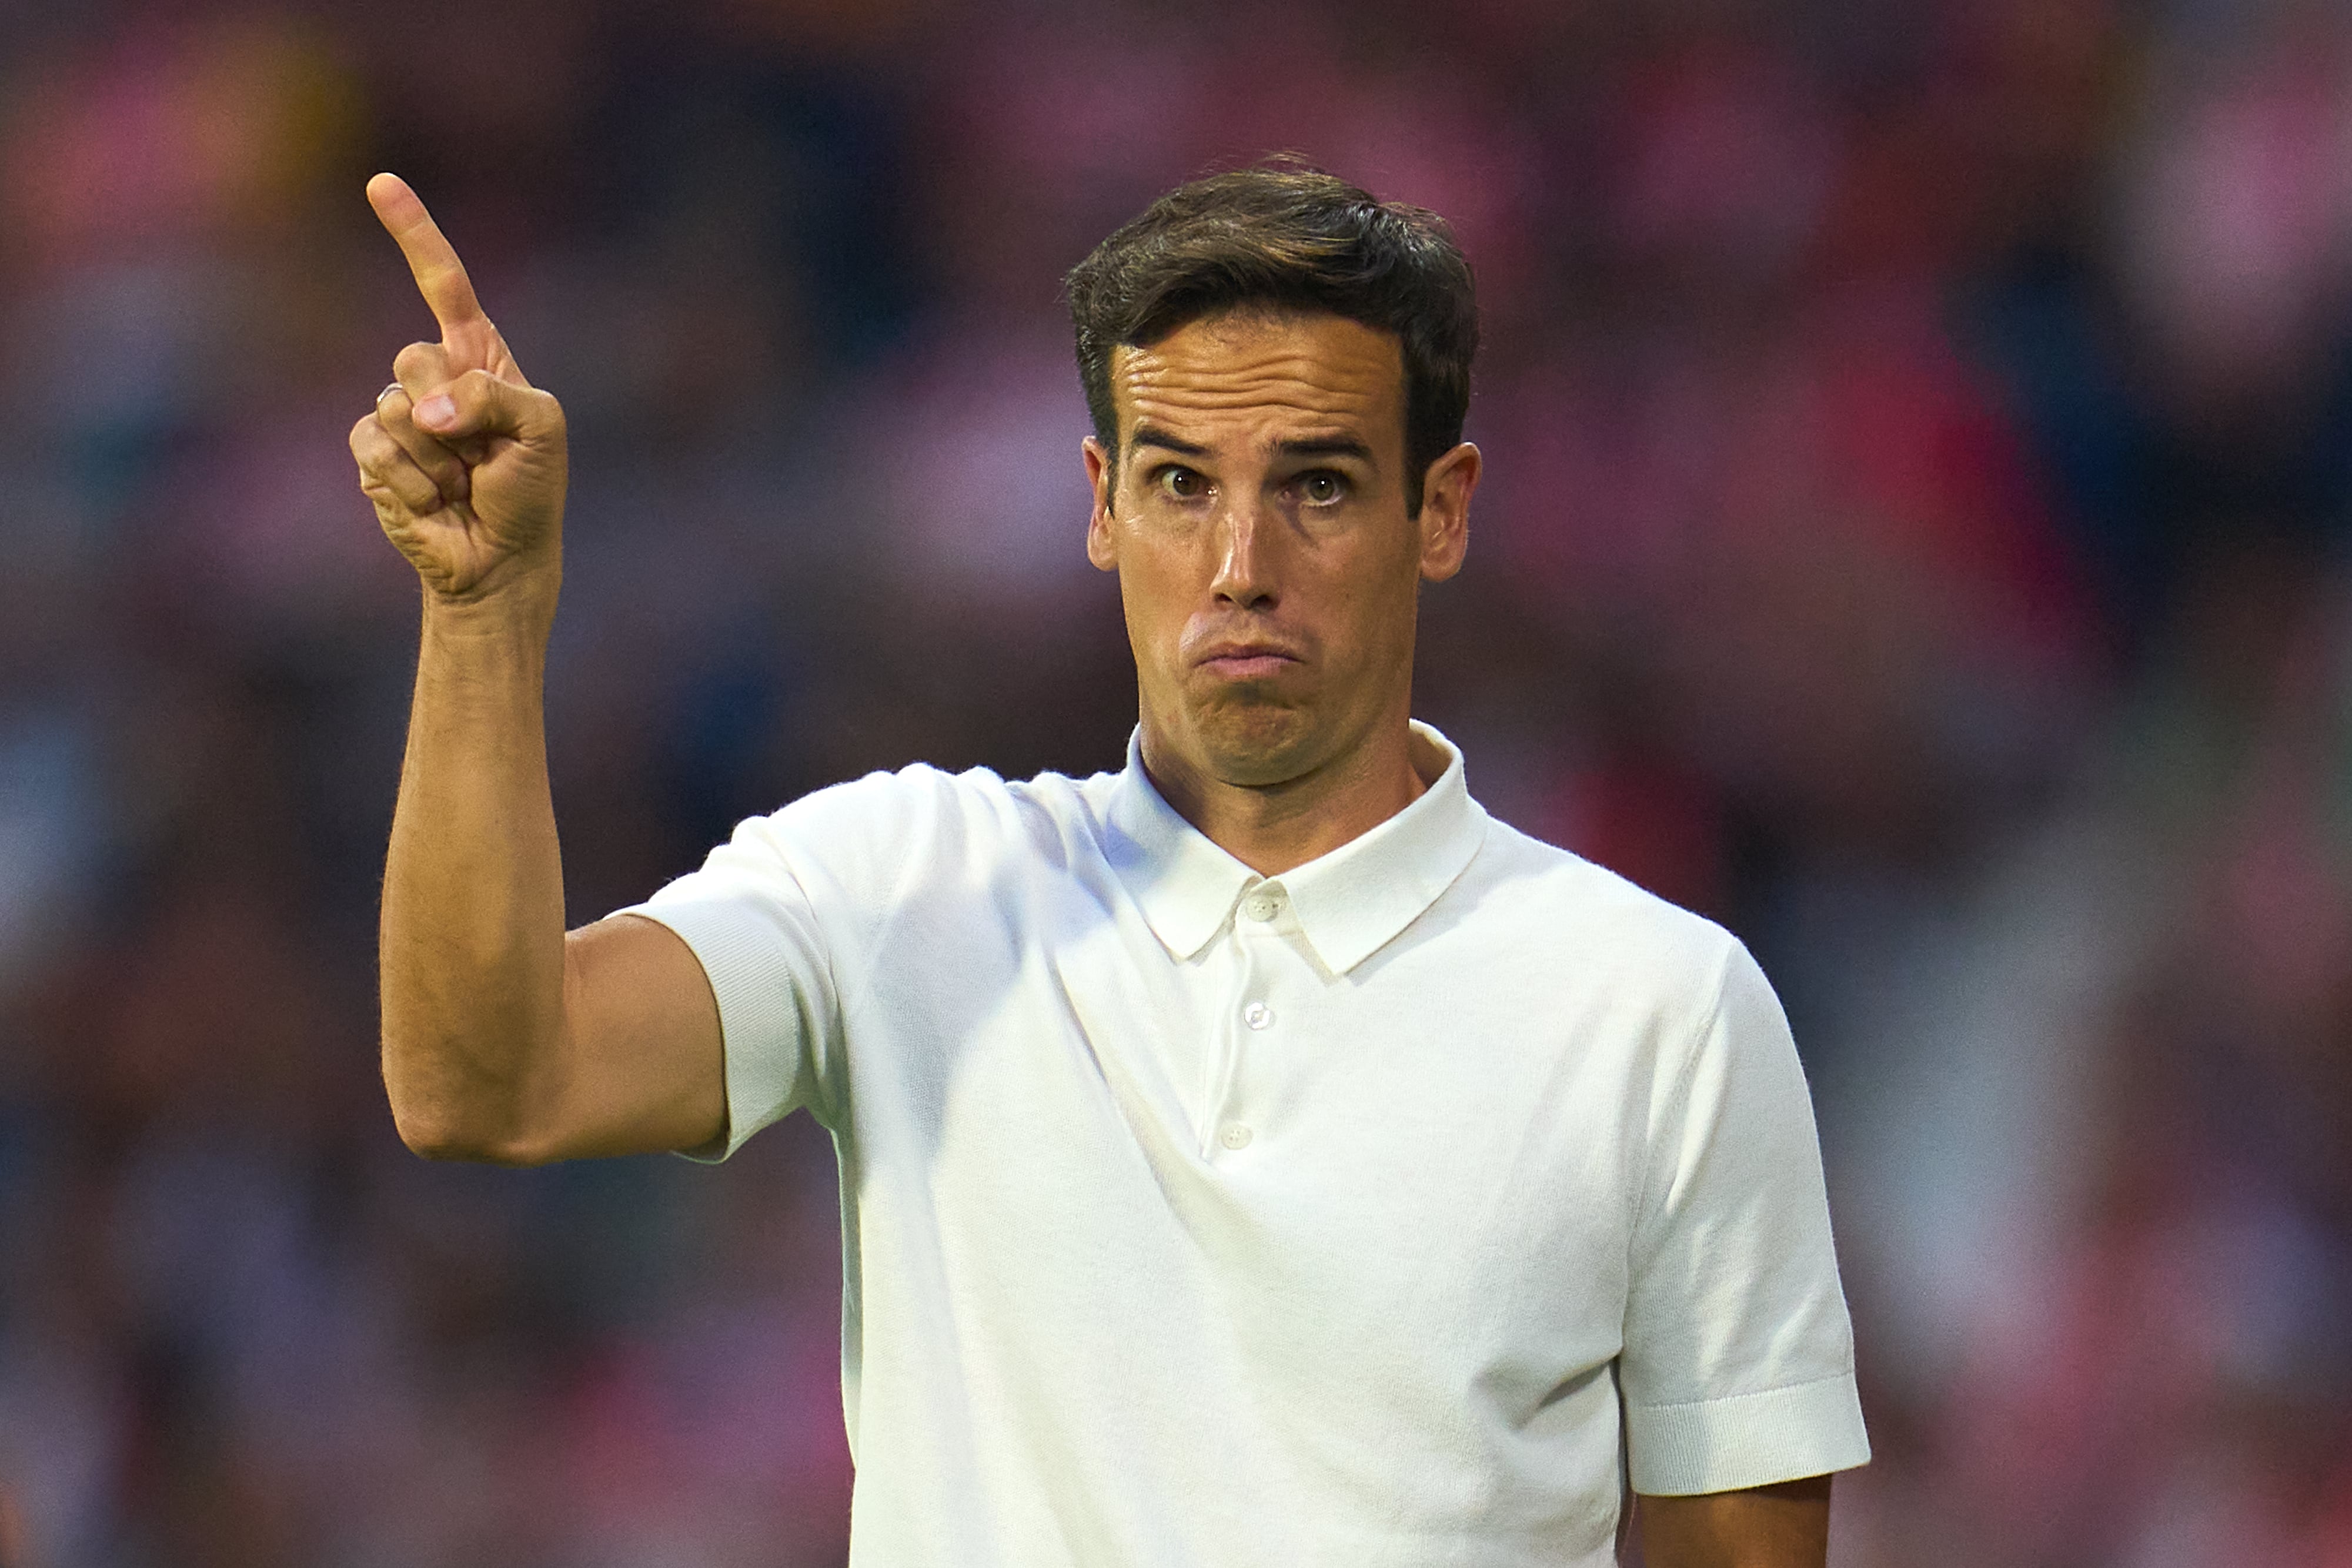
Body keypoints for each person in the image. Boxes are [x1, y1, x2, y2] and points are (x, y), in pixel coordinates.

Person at [349, 162, 1868, 1566]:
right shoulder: (907, 885)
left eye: (1319, 485)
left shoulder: (1659, 1007)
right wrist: (482, 613)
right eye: (1180, 482)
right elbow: (485, 1081)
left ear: (1443, 510)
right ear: (1098, 503)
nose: (1240, 563)